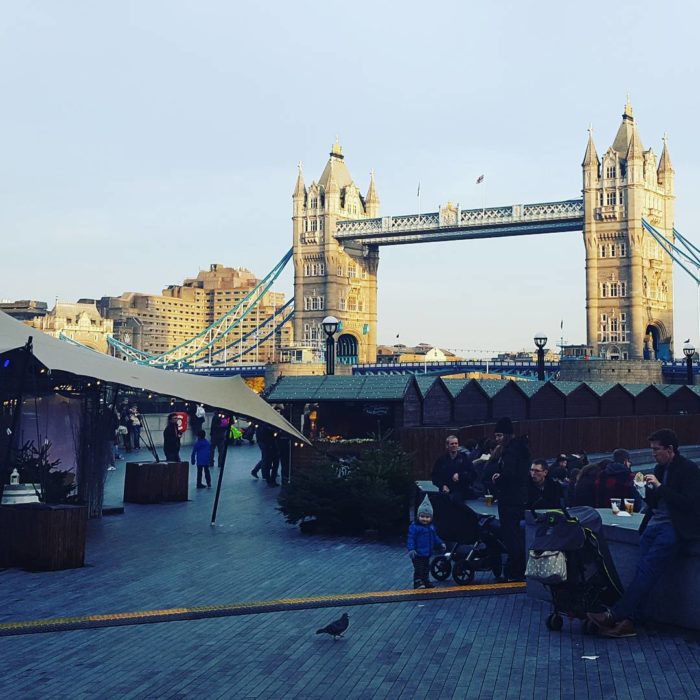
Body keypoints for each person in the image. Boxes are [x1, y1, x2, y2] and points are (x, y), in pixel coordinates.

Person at [587, 429, 700, 638]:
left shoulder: (688, 469)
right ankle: (630, 621)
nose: (653, 454)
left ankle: (615, 614)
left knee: (647, 571)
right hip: (652, 526)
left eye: (656, 449)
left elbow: (689, 504)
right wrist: (645, 490)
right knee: (643, 572)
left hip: (672, 529)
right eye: (651, 449)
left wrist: (659, 486)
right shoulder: (658, 468)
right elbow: (656, 501)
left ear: (670, 449)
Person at [490, 417, 531, 580]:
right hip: (520, 497)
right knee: (516, 534)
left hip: (509, 498)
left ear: (507, 435)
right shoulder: (522, 448)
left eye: (499, 435)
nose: (497, 439)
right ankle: (519, 568)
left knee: (510, 534)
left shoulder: (510, 451)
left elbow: (509, 474)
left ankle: (516, 570)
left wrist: (497, 479)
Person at [407, 495, 446, 589]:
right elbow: (410, 538)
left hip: (427, 553)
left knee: (426, 568)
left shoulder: (431, 527)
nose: (425, 519)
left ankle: (426, 581)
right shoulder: (415, 527)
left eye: (427, 517)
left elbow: (435, 537)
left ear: (431, 518)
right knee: (419, 569)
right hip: (417, 553)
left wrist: (440, 543)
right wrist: (411, 549)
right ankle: (418, 582)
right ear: (418, 516)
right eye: (422, 516)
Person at [431, 435, 477, 502]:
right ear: (447, 446)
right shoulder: (441, 460)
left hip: (461, 490)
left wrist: (460, 475)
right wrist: (442, 486)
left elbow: (473, 475)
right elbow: (435, 477)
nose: (454, 445)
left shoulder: (465, 458)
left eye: (456, 443)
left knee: (455, 500)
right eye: (452, 444)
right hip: (445, 490)